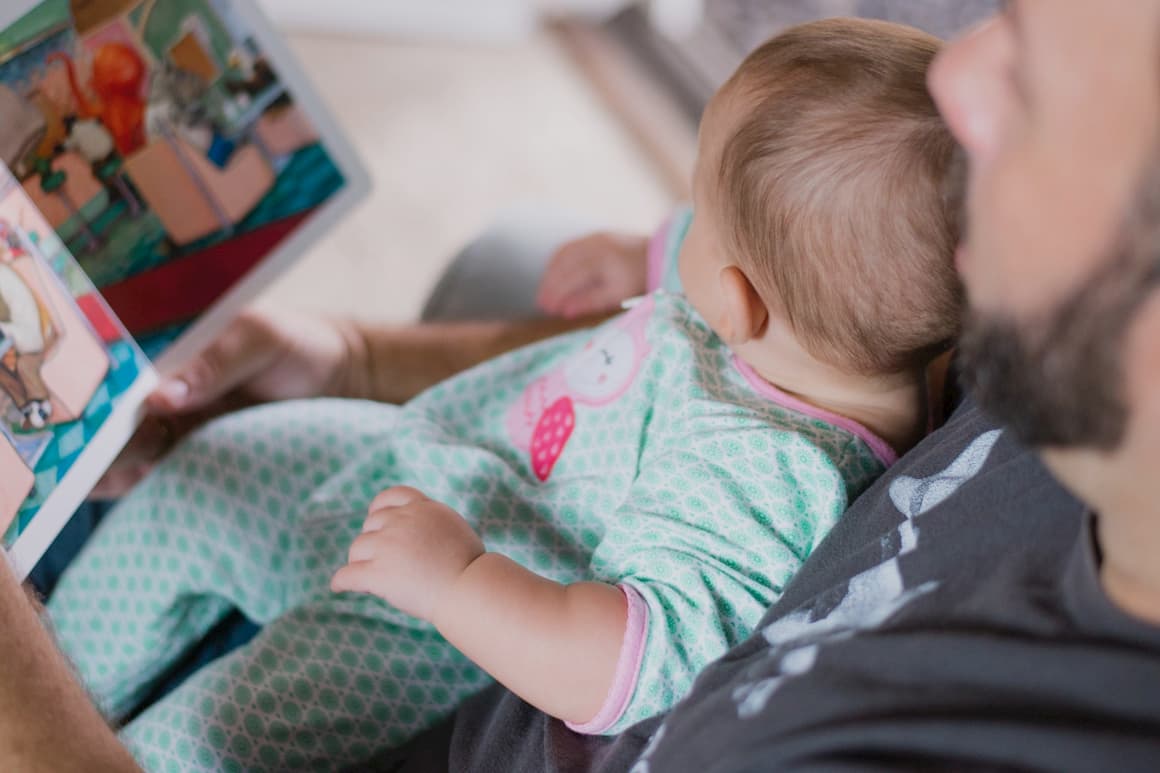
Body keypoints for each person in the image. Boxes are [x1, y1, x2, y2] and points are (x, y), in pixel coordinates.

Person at [4, 1, 1160, 770]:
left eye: (1036, 85)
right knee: (197, 465)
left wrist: (455, 580)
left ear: (746, 302)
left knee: (223, 727)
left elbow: (632, 654)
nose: (969, 64)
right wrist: (353, 350)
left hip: (434, 620)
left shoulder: (762, 470)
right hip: (428, 464)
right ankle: (93, 658)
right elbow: (740, 267)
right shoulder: (902, 309)